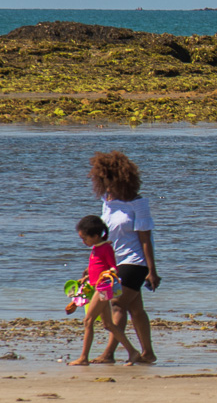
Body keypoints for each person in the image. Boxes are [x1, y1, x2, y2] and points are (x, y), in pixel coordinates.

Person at [89, 151, 158, 365]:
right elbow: (104, 238)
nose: (108, 188)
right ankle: (148, 353)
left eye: (112, 183)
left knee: (117, 304)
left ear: (124, 180)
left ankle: (109, 353)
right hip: (114, 263)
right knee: (136, 309)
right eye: (105, 183)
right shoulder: (107, 202)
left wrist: (151, 270)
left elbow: (145, 238)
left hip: (135, 262)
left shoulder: (138, 204)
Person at [67, 215, 138, 366]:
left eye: (85, 238)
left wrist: (110, 273)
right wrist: (86, 278)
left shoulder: (106, 248)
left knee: (88, 320)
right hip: (96, 287)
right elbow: (97, 267)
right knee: (108, 324)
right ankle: (133, 352)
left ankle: (84, 358)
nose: (83, 242)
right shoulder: (96, 248)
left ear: (96, 236)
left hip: (103, 289)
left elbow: (112, 267)